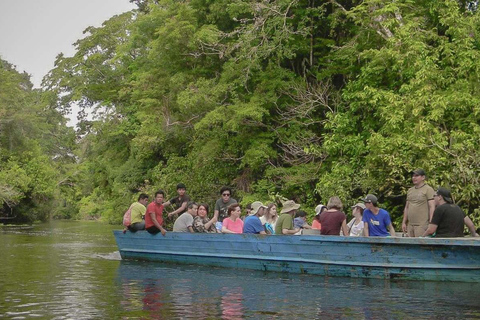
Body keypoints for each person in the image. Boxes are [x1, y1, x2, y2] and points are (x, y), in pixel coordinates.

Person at [402, 169, 435, 237]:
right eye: (413, 176)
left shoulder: (428, 189)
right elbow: (407, 207)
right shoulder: (410, 190)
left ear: (423, 177)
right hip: (410, 225)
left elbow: (432, 207)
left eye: (416, 176)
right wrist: (404, 222)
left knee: (421, 245)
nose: (414, 178)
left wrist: (431, 223)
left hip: (422, 225)